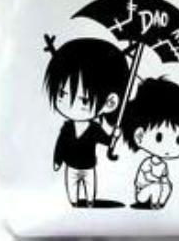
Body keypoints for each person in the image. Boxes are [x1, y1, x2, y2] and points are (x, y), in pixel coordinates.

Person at [43, 36, 128, 207]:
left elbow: (107, 141)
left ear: (110, 103)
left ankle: (89, 203)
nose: (69, 105)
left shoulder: (94, 129)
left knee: (90, 191)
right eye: (62, 94)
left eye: (83, 100)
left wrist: (115, 136)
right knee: (72, 193)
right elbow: (61, 145)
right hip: (71, 167)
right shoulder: (67, 128)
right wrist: (57, 160)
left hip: (89, 167)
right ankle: (75, 204)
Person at [122, 77, 179, 209]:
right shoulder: (147, 163)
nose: (168, 148)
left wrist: (165, 182)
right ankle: (153, 204)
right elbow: (144, 178)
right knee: (156, 187)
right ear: (139, 136)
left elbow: (164, 177)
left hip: (156, 187)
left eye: (178, 140)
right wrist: (156, 180)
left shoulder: (162, 165)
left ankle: (160, 203)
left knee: (167, 187)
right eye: (159, 137)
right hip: (143, 193)